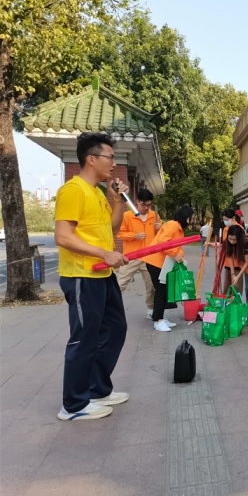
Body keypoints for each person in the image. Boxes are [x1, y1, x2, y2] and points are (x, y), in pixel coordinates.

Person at [55, 132, 130, 421]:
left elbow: (111, 229)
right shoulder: (73, 190)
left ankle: (97, 389)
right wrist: (103, 254)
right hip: (82, 276)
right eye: (110, 157)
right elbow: (63, 236)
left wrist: (118, 201)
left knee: (115, 329)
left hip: (102, 275)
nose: (114, 163)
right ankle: (73, 405)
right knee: (84, 338)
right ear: (92, 159)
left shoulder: (97, 192)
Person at [143, 206, 195, 332]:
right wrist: (175, 254)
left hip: (163, 264)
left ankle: (160, 317)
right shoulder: (172, 225)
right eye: (191, 218)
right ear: (185, 217)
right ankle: (158, 320)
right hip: (155, 262)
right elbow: (163, 241)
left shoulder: (178, 228)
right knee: (160, 291)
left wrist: (180, 256)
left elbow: (176, 246)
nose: (192, 220)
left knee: (164, 291)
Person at [116, 188, 160, 320]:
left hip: (149, 257)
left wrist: (160, 229)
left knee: (151, 286)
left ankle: (151, 309)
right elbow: (120, 234)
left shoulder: (155, 216)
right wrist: (134, 235)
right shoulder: (127, 215)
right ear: (137, 202)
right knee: (120, 283)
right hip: (131, 256)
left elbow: (160, 237)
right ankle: (109, 307)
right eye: (143, 205)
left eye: (149, 205)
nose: (146, 208)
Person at [224, 224, 248, 295]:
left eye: (234, 240)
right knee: (230, 287)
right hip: (239, 263)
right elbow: (230, 258)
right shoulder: (228, 242)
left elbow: (247, 262)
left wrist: (237, 276)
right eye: (230, 239)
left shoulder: (246, 243)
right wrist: (233, 274)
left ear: (239, 238)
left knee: (240, 289)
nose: (232, 242)